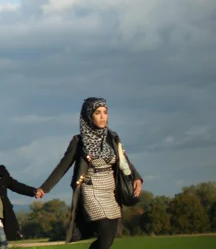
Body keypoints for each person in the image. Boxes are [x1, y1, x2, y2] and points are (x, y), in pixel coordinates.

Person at [36, 97, 143, 249]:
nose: (103, 116)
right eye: (98, 113)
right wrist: (44, 188)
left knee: (108, 239)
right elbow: (62, 166)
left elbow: (124, 160)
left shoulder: (112, 137)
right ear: (88, 115)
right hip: (91, 190)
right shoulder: (79, 141)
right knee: (105, 235)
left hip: (111, 192)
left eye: (105, 112)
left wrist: (136, 177)